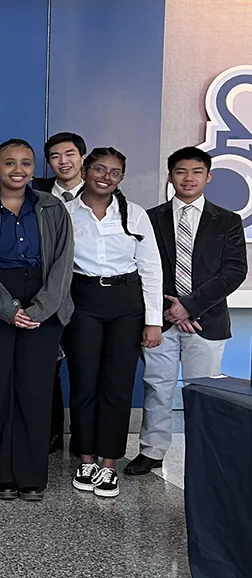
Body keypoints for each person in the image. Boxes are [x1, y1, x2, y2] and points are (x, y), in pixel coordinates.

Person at [0, 139, 74, 501]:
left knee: (35, 392)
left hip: (44, 303)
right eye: (9, 163)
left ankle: (31, 474)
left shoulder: (53, 207)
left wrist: (40, 309)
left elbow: (63, 264)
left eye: (25, 163)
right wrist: (7, 309)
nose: (18, 170)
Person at [130, 147, 247, 475]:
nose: (188, 178)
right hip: (160, 321)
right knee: (157, 385)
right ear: (170, 176)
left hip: (204, 321)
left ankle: (203, 450)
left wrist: (190, 306)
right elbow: (144, 268)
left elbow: (234, 270)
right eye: (181, 171)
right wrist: (170, 310)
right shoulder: (150, 218)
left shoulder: (227, 220)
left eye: (196, 172)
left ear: (208, 177)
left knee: (203, 390)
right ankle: (152, 449)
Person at [63, 148, 163, 498]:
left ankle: (109, 464)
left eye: (115, 172)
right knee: (84, 380)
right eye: (100, 169)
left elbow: (151, 268)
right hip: (83, 300)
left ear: (122, 177)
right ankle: (87, 458)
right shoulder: (65, 212)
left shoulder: (134, 215)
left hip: (126, 303)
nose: (106, 176)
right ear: (86, 169)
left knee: (118, 385)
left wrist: (153, 322)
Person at [32, 131, 87, 454]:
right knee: (45, 367)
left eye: (69, 154)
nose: (63, 161)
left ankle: (83, 439)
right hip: (45, 290)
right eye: (55, 156)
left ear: (82, 157)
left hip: (86, 290)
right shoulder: (34, 193)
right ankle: (49, 433)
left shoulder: (103, 193)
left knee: (84, 366)